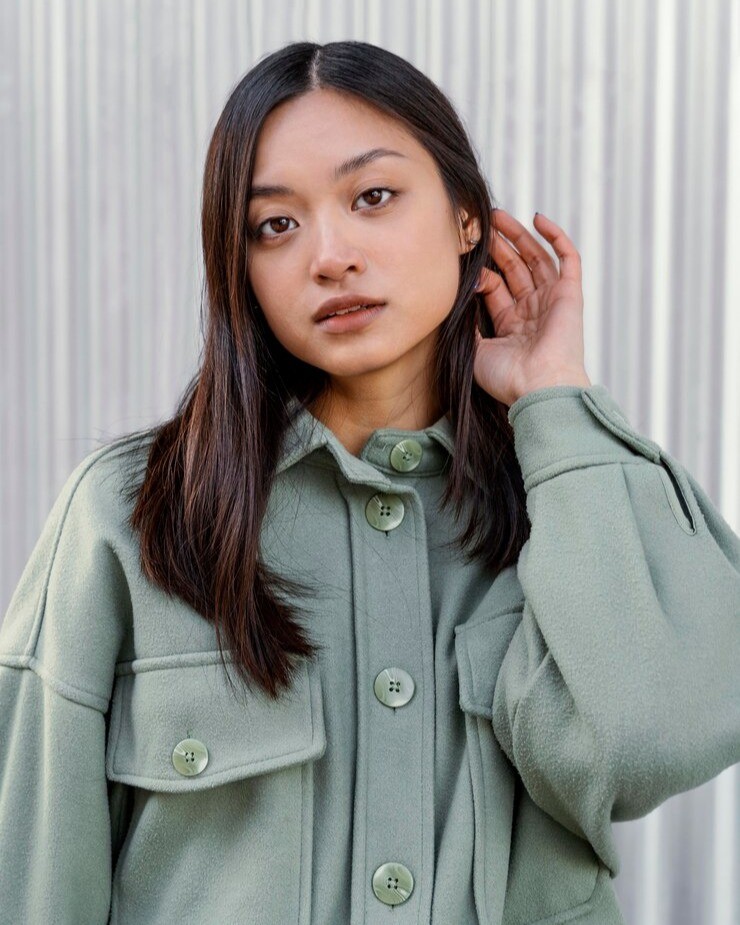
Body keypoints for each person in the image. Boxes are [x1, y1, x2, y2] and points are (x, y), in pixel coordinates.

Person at [0, 39, 738, 925]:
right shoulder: (131, 515)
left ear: (468, 217)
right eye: (276, 224)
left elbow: (655, 742)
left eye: (373, 197)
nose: (330, 255)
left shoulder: (568, 500)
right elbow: (33, 880)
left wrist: (557, 402)